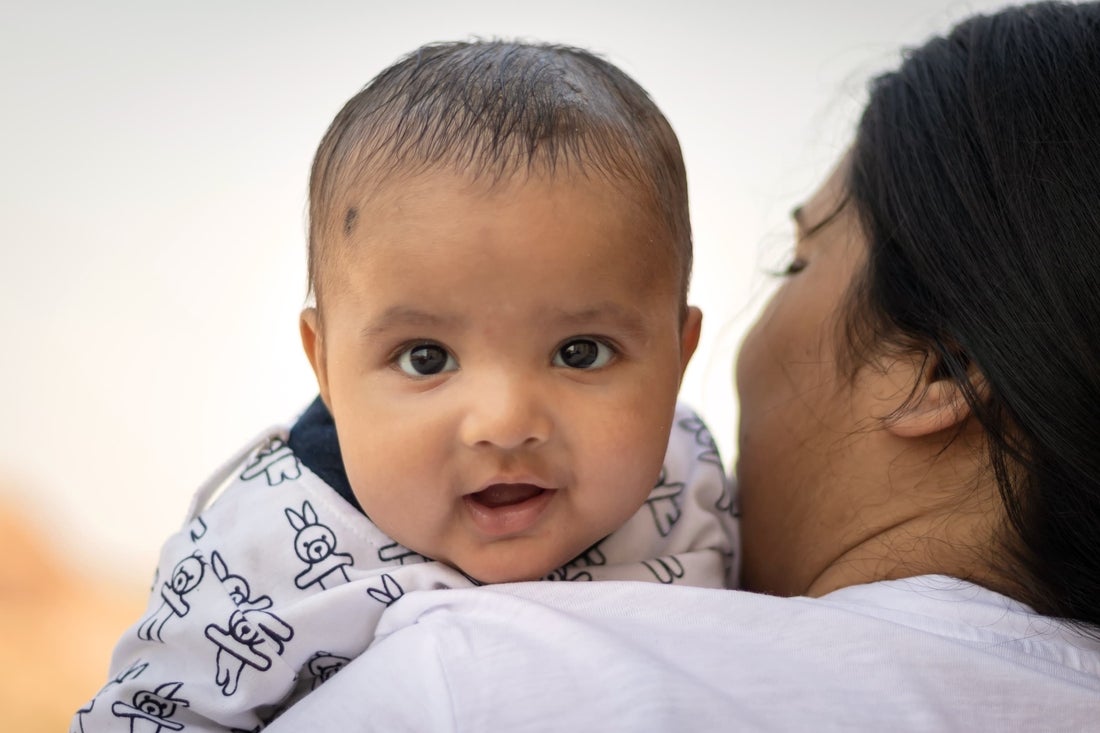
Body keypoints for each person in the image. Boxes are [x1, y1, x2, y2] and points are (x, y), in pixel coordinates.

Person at [254, 3, 1099, 730]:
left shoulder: (478, 683)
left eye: (795, 265)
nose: (506, 419)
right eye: (429, 357)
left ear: (935, 367)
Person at [71, 40, 740, 732]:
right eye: (426, 358)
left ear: (678, 356)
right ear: (325, 366)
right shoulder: (267, 546)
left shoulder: (688, 475)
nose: (505, 421)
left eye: (580, 351)